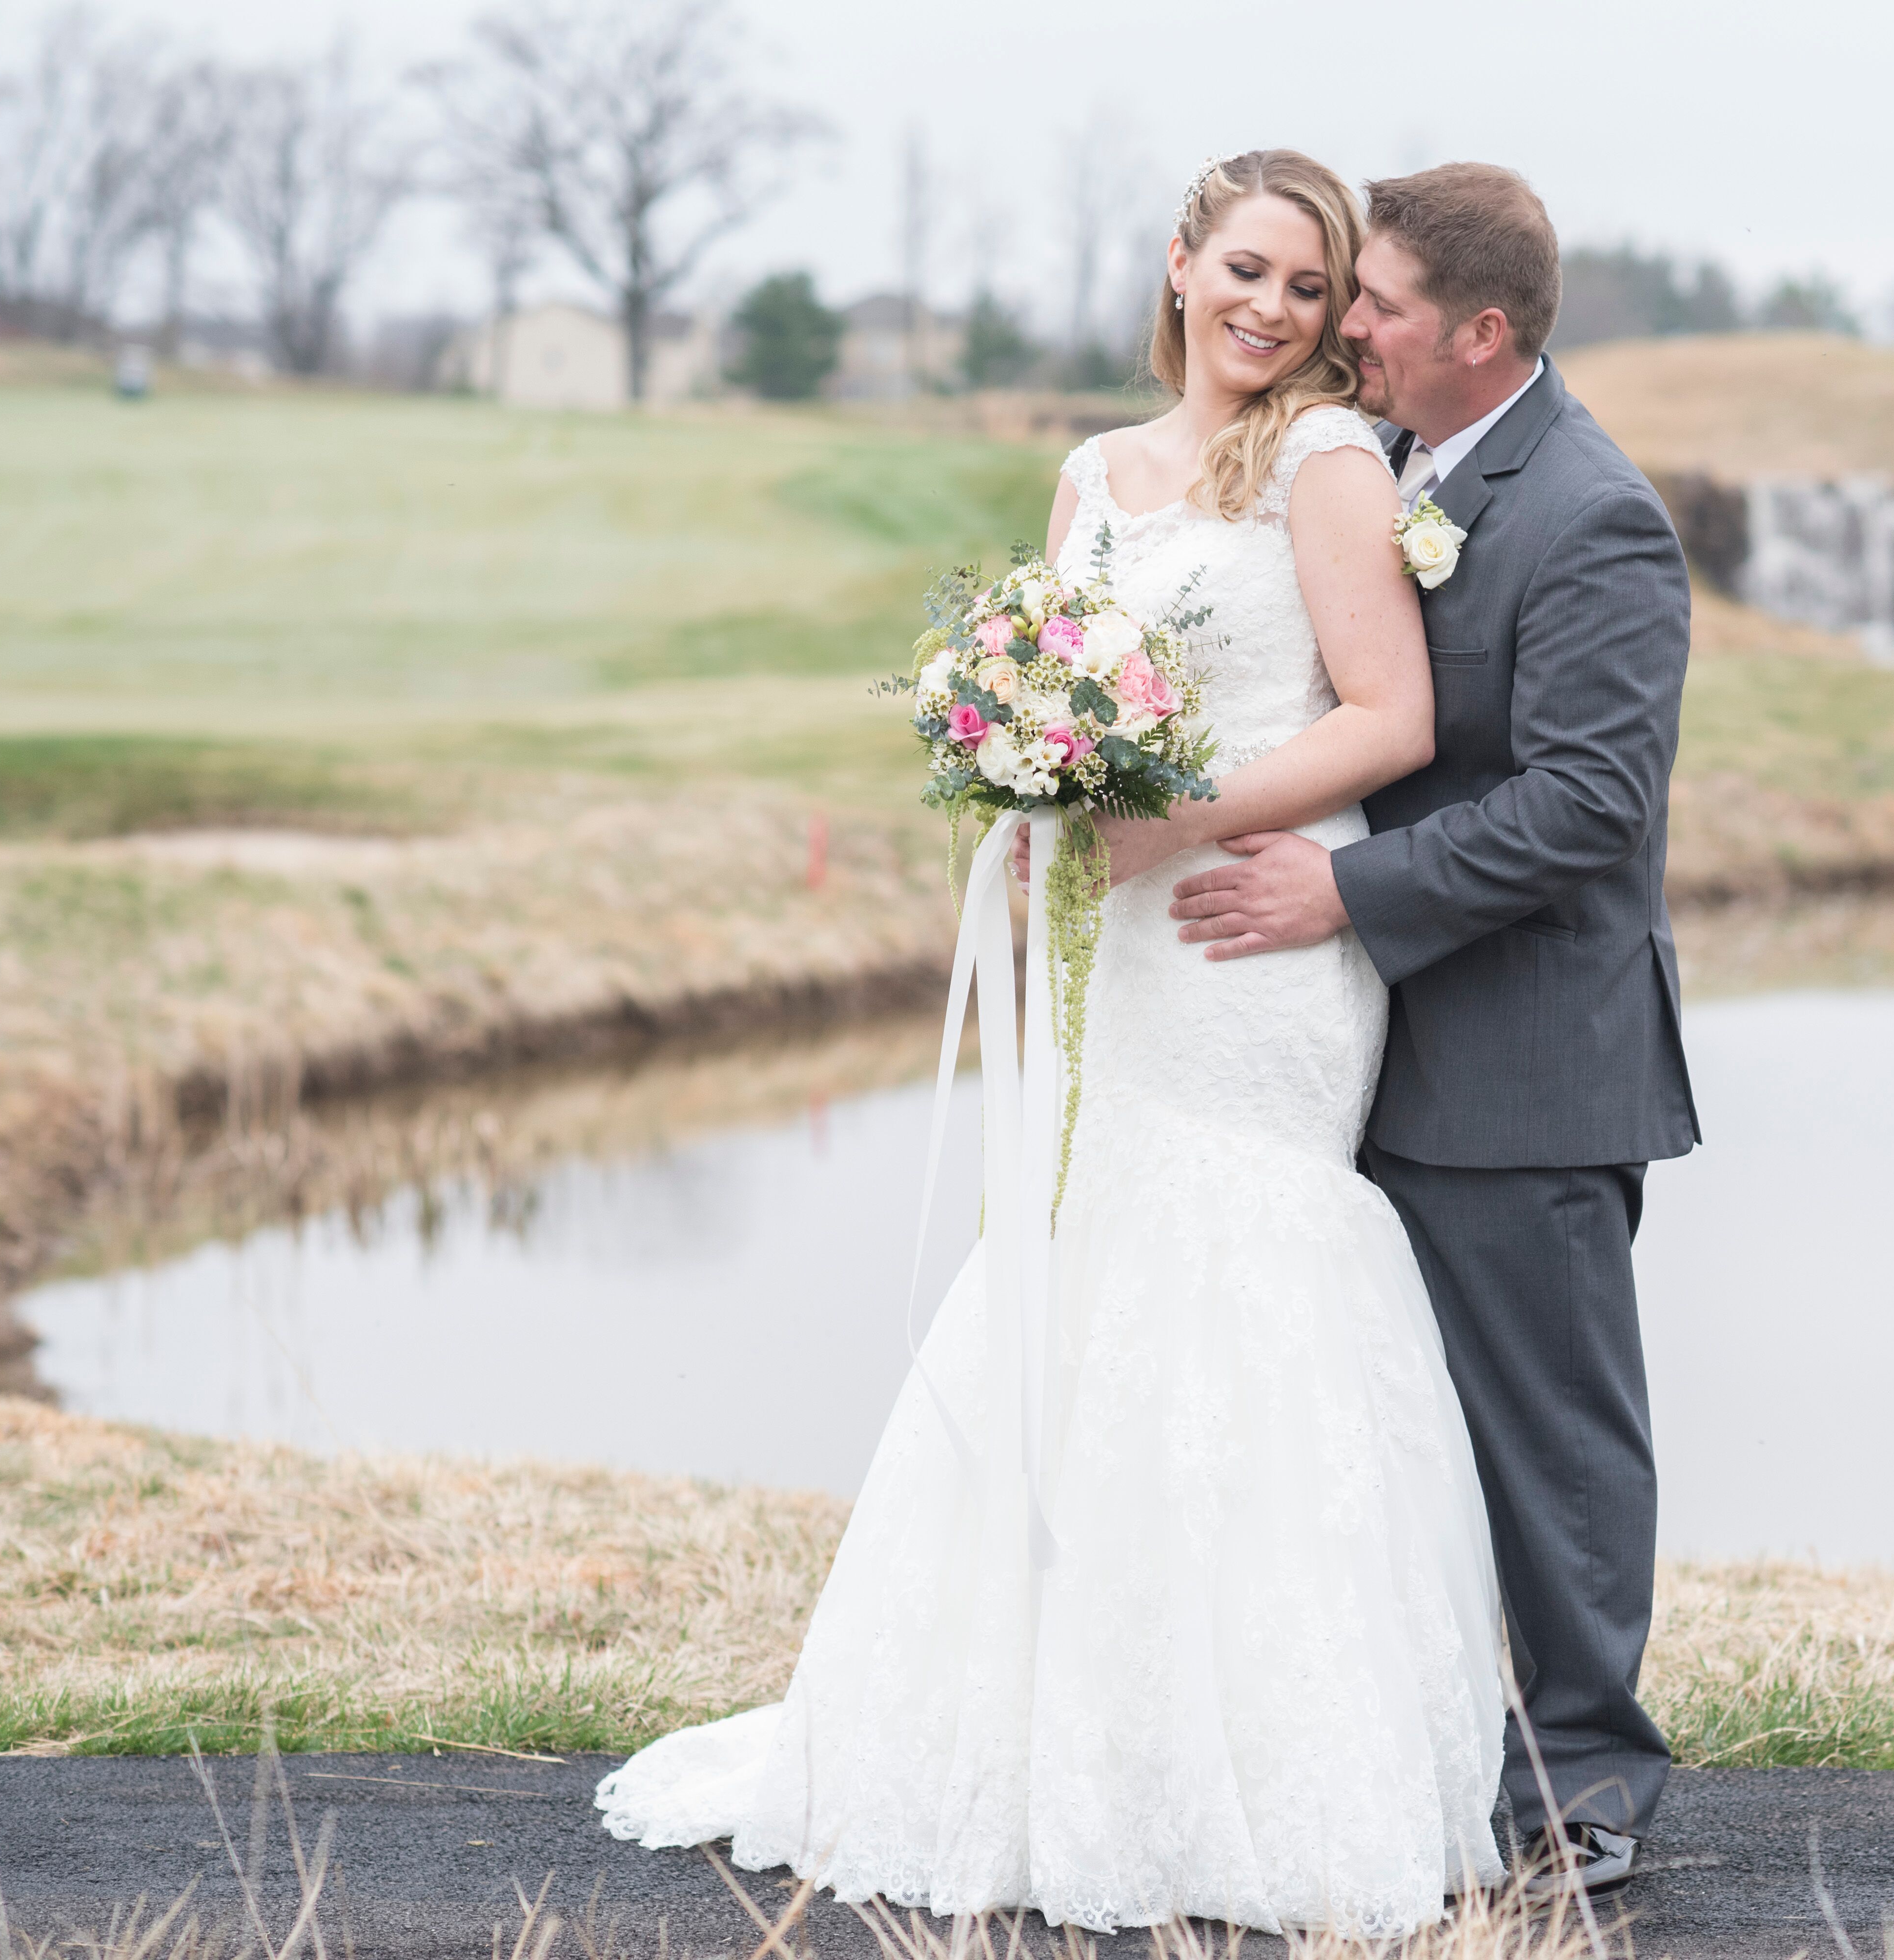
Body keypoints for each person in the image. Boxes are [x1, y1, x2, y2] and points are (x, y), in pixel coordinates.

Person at [593, 149, 1508, 1937]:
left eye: (1312, 291)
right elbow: (1069, 684)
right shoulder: (1095, 473)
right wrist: (1036, 799)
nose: (1275, 312)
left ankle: (1255, 1765)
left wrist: (1176, 823)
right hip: (1117, 931)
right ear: (1178, 267)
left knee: (1231, 1261)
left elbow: (1393, 721)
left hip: (1257, 937)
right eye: (1247, 270)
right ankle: (1051, 1735)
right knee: (1084, 1260)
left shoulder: (1327, 466)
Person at [1164, 161, 1702, 1899]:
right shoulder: (1382, 464)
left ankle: (1589, 1793)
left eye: (1374, 303)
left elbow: (1591, 806)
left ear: (1480, 331)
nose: (1345, 330)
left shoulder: (1592, 511)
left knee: (1548, 1436)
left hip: (1530, 1060)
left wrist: (1344, 896)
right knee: (1379, 1430)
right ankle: (1404, 1753)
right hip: (1358, 1049)